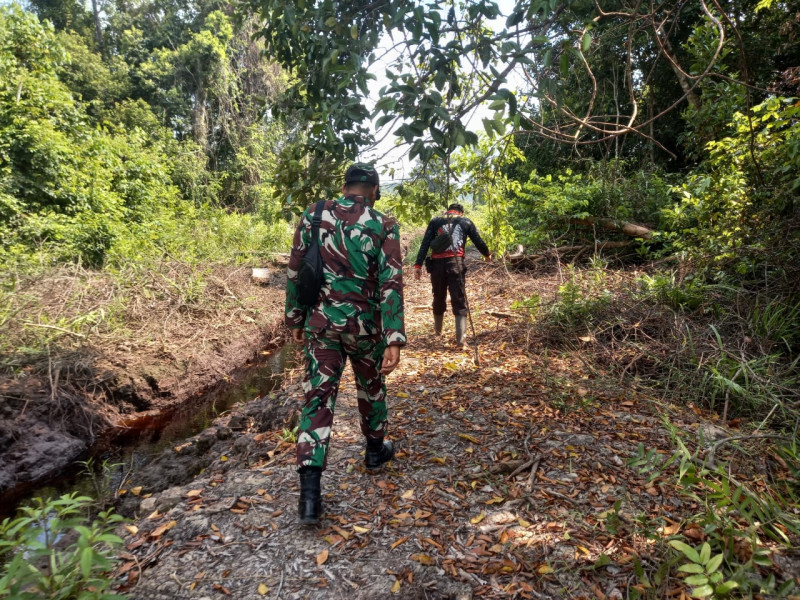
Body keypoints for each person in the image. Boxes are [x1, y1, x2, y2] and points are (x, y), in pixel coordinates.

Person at [285, 163, 406, 526]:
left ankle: (310, 498)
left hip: (321, 324)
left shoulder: (315, 213)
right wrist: (393, 338)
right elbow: (391, 282)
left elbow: (295, 268)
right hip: (366, 327)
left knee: (317, 400)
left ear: (345, 186)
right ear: (375, 190)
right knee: (371, 389)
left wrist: (294, 318)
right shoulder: (383, 224)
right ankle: (374, 452)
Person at [413, 203, 490, 347]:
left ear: (448, 211)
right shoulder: (465, 221)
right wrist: (486, 254)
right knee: (458, 298)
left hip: (436, 266)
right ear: (461, 212)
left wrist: (418, 265)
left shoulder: (436, 221)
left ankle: (437, 333)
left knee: (438, 296)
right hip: (456, 263)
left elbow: (425, 243)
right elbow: (478, 241)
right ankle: (461, 341)